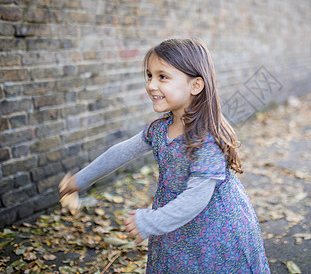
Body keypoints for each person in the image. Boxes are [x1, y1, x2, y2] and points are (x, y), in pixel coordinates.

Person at [59, 38, 270, 273]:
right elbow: (121, 151)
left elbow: (196, 199)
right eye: (149, 75)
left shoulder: (205, 139)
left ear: (195, 85)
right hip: (173, 223)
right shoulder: (160, 129)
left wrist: (151, 221)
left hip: (215, 232)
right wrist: (82, 179)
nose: (151, 85)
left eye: (163, 77)